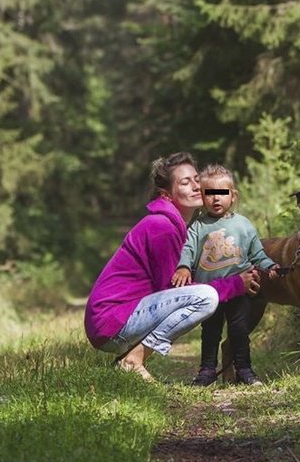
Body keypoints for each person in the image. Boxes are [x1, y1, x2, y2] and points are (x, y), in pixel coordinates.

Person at [85, 153, 261, 381]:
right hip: (111, 322)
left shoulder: (176, 225)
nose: (197, 187)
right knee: (206, 298)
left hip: (120, 319)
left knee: (205, 294)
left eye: (197, 180)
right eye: (185, 183)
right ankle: (133, 360)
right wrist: (236, 284)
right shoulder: (161, 227)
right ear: (166, 194)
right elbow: (174, 289)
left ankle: (131, 359)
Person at [171, 163, 280, 386]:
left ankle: (244, 370)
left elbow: (257, 253)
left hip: (240, 289)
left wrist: (270, 267)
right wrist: (183, 267)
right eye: (209, 193)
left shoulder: (244, 225)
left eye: (222, 193)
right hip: (209, 292)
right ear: (202, 196)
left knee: (239, 331)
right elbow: (188, 250)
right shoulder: (197, 226)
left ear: (233, 196)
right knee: (210, 332)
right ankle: (207, 371)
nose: (216, 199)